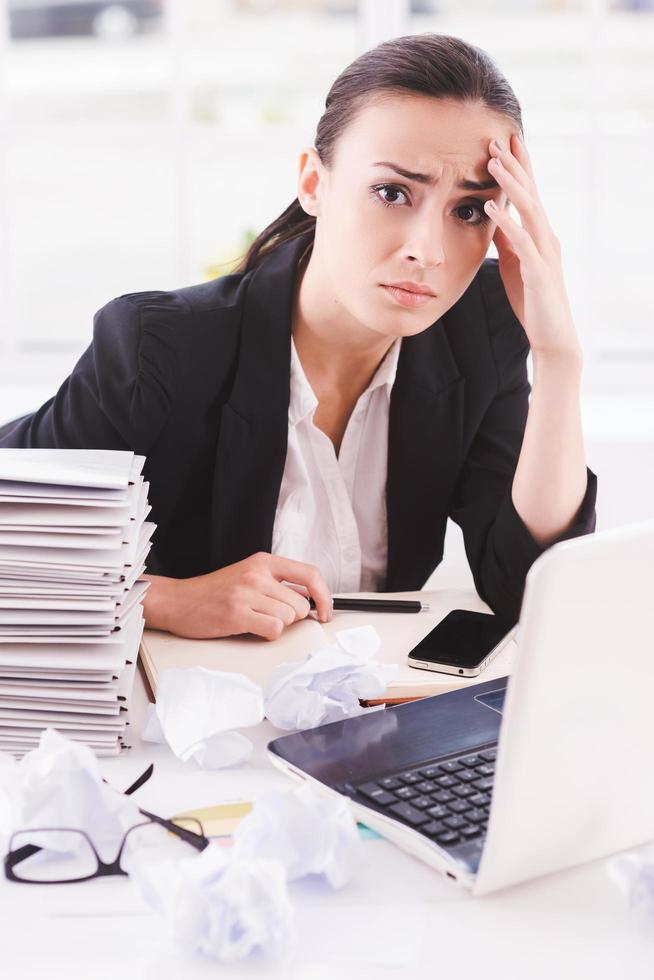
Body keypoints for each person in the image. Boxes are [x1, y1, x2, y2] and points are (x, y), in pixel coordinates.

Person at [0, 33, 597, 642]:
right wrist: (165, 599)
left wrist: (558, 359)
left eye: (470, 210)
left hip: (366, 712)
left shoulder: (482, 329)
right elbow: (13, 542)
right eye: (393, 193)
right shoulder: (159, 347)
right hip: (172, 717)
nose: (428, 252)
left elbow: (529, 587)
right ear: (314, 183)